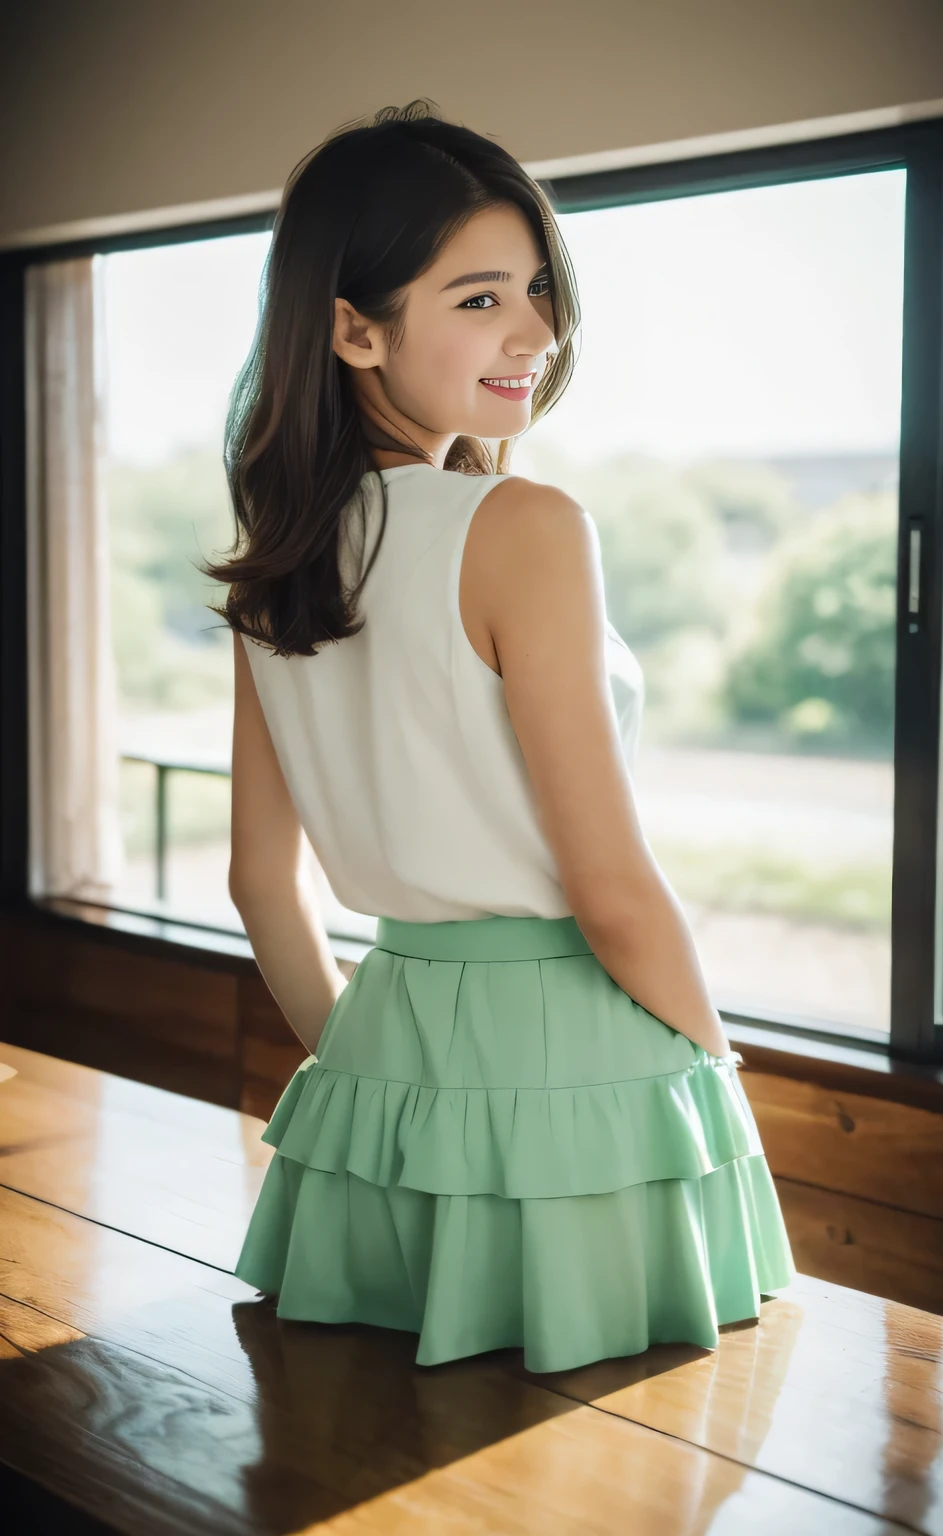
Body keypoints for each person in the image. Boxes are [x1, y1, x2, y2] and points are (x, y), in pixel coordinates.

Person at [208, 99, 795, 1375]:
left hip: (384, 1057)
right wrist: (714, 1070)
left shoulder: (280, 562)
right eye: (479, 298)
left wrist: (371, 1076)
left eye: (537, 287)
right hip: (584, 1065)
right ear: (353, 328)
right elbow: (612, 891)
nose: (537, 330)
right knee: (630, 1461)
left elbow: (261, 881)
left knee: (342, 1443)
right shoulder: (522, 524)